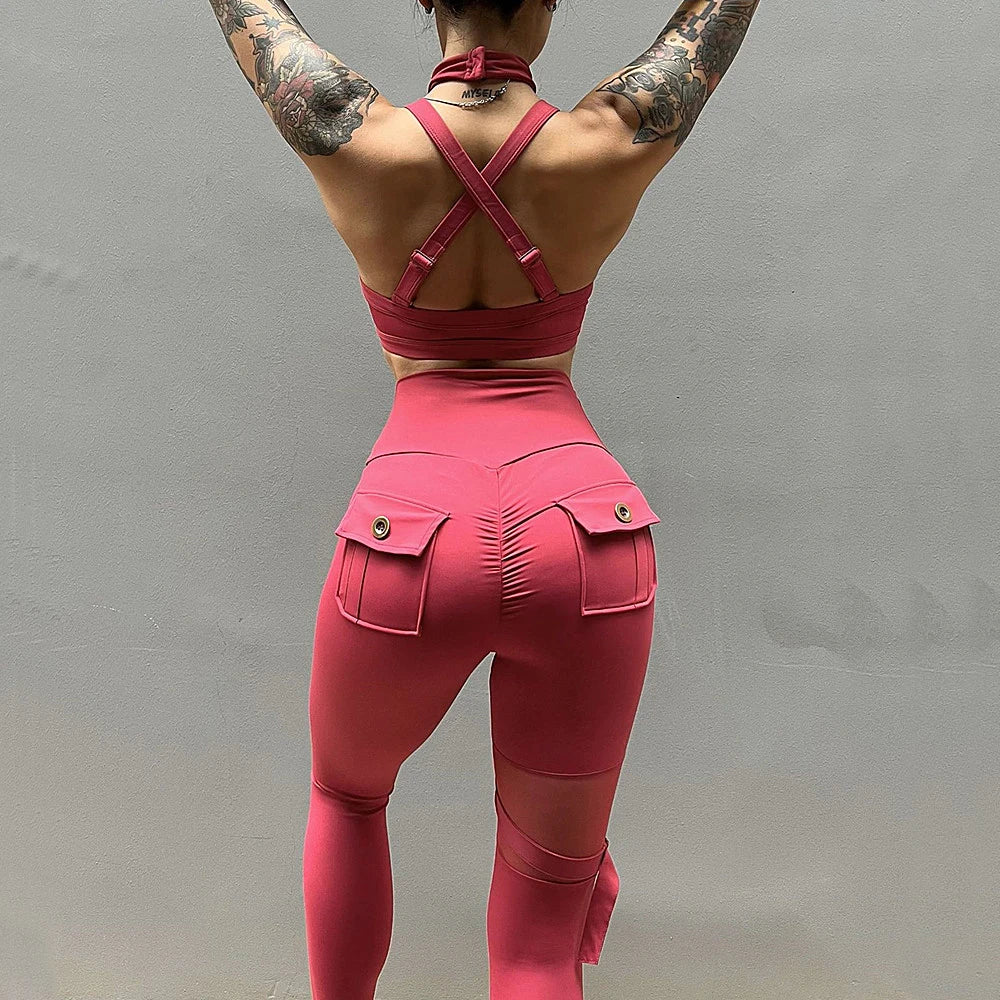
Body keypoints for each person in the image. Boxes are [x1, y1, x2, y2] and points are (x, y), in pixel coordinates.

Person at [209, 0, 761, 996]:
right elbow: (706, 30)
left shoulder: (355, 133)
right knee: (539, 939)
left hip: (409, 530)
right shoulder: (602, 141)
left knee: (347, 797)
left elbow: (254, 18)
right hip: (585, 528)